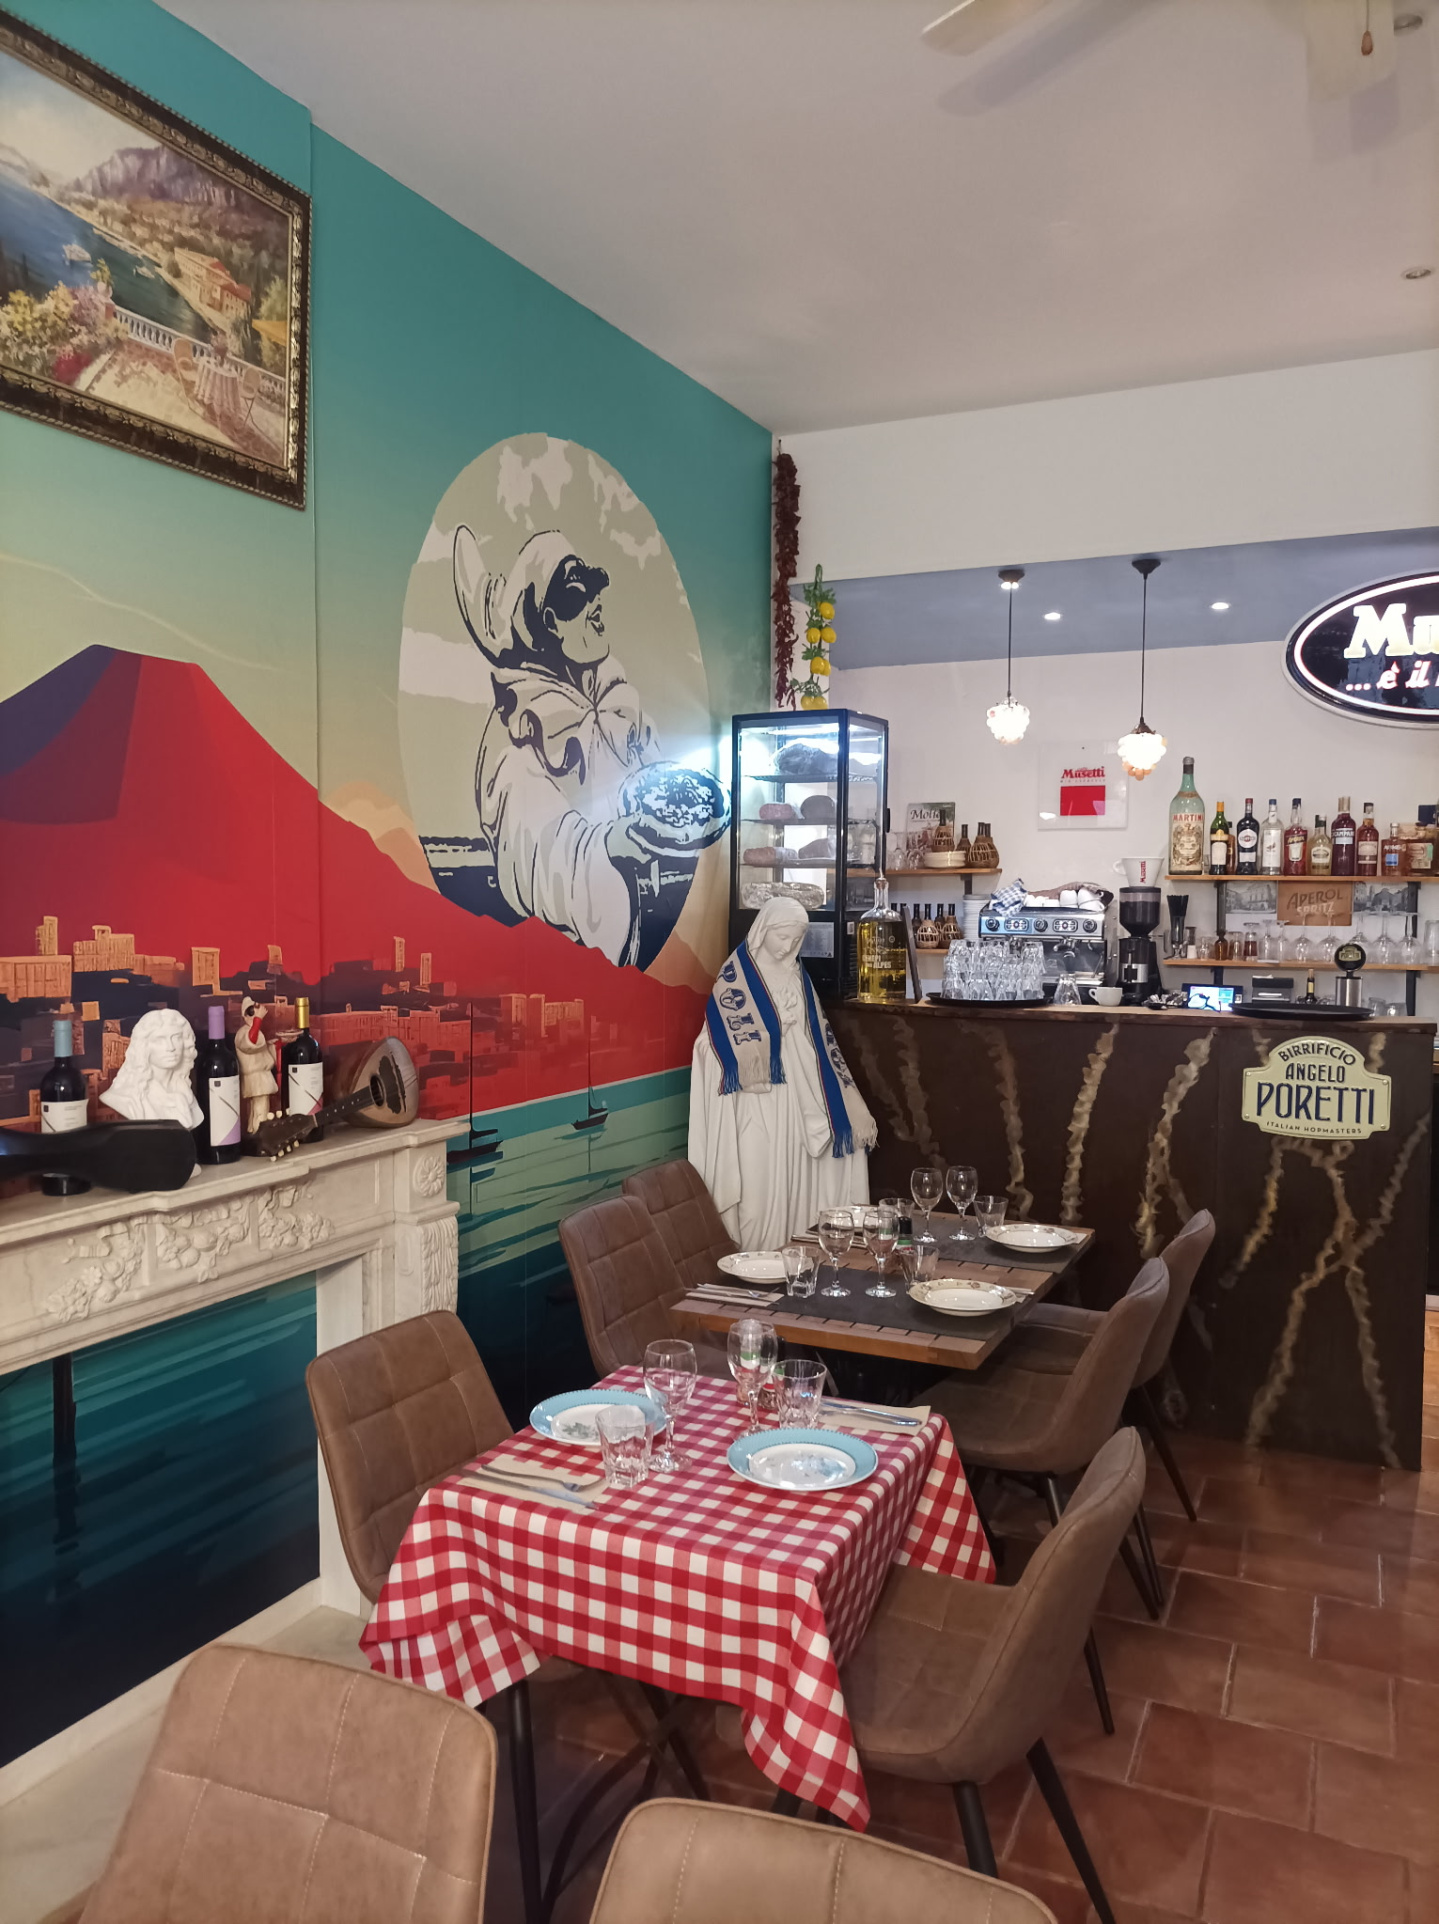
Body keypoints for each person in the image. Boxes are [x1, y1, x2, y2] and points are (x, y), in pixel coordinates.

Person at [454, 526, 724, 967]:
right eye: (577, 597)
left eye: (594, 590)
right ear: (549, 622)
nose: (596, 603)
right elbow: (534, 854)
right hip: (576, 966)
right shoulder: (517, 734)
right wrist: (611, 844)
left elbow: (653, 773)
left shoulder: (613, 697)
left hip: (651, 939)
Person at [689, 896, 876, 1250]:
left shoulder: (797, 976)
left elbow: (817, 1040)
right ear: (763, 930)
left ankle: (797, 1259)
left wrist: (789, 1031)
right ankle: (756, 1260)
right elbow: (707, 1047)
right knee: (757, 1195)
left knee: (796, 1182)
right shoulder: (735, 979)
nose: (788, 946)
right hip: (754, 1104)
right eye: (782, 937)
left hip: (797, 1100)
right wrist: (771, 1033)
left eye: (796, 939)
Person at [104, 1008, 201, 1128]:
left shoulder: (184, 1093)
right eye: (159, 1040)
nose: (171, 1047)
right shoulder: (127, 1099)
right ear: (144, 1046)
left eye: (176, 1038)